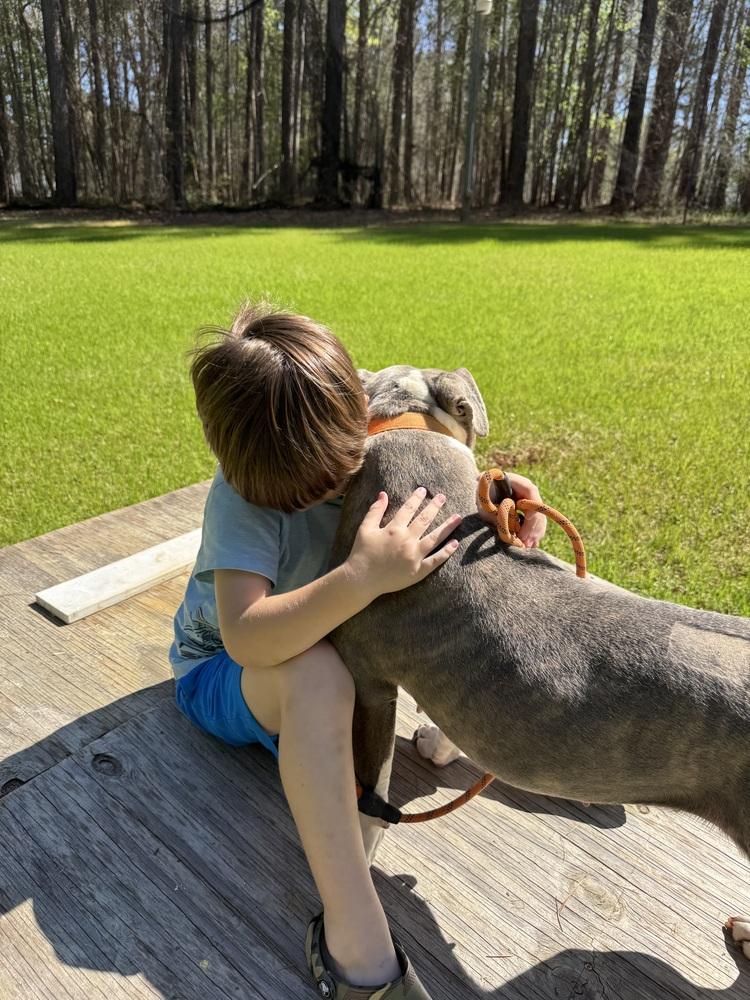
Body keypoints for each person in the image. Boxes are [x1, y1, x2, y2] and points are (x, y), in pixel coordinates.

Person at [169, 300, 546, 999]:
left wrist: (487, 496)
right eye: (311, 492)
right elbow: (248, 637)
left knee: (417, 600)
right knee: (319, 676)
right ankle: (353, 931)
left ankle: (524, 747)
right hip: (226, 677)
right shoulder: (242, 498)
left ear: (355, 405)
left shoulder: (360, 412)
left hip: (333, 633)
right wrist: (362, 575)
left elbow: (423, 457)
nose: (339, 487)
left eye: (347, 465)